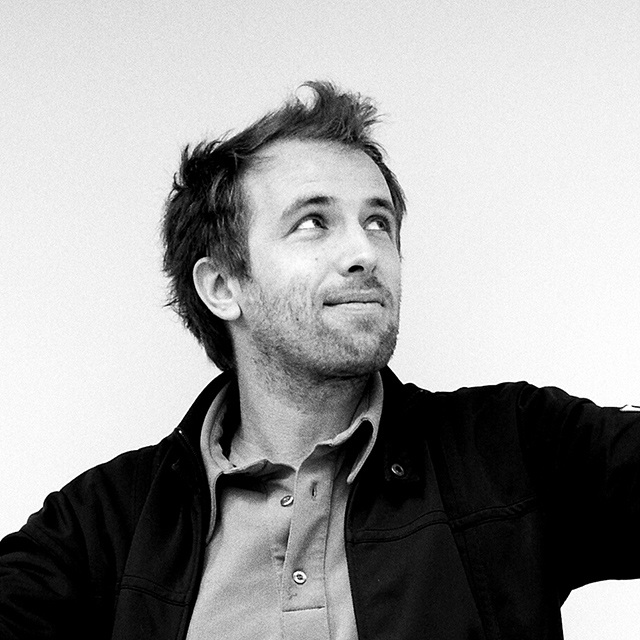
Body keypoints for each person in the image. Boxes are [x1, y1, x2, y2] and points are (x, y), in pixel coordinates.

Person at [1, 81, 639, 640]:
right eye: (313, 222)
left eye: (378, 222)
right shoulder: (102, 525)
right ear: (222, 286)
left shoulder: (514, 445)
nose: (365, 252)